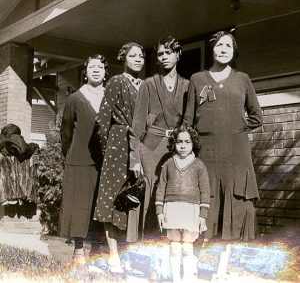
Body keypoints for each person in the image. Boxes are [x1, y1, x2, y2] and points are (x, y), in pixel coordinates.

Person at [184, 31, 263, 241]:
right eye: (219, 45)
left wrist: (235, 129)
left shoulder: (242, 79)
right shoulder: (197, 79)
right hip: (206, 153)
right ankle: (200, 257)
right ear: (212, 49)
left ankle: (223, 266)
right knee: (206, 204)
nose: (223, 49)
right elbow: (187, 120)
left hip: (236, 153)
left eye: (228, 46)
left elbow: (257, 117)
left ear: (234, 51)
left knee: (235, 205)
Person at [93, 42, 145, 273]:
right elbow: (102, 120)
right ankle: (113, 256)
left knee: (134, 199)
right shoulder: (116, 81)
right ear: (124, 58)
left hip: (140, 145)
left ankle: (131, 255)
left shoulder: (145, 85)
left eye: (141, 56)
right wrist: (108, 150)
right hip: (117, 144)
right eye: (133, 55)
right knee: (112, 199)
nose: (138, 59)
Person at [130, 36, 189, 237]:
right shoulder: (148, 84)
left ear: (178, 55)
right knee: (151, 192)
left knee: (174, 193)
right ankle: (145, 241)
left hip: (176, 147)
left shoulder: (187, 85)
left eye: (169, 52)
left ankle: (170, 241)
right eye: (160, 53)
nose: (164, 57)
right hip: (151, 147)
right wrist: (135, 157)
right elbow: (137, 124)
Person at [59, 54, 108, 261]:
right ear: (85, 72)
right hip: (79, 159)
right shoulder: (75, 98)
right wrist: (70, 153)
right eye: (92, 67)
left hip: (105, 161)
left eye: (100, 67)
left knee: (100, 205)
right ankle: (79, 249)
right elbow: (66, 130)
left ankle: (96, 249)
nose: (96, 70)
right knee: (78, 205)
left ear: (105, 72)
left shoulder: (110, 97)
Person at [155, 124, 210, 282]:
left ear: (193, 143)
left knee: (187, 248)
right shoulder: (168, 164)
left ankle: (186, 279)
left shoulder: (199, 165)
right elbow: (161, 188)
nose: (183, 145)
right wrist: (159, 212)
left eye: (187, 142)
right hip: (171, 210)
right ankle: (175, 279)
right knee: (174, 247)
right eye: (179, 142)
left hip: (190, 212)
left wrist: (203, 216)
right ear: (174, 143)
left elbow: (205, 191)